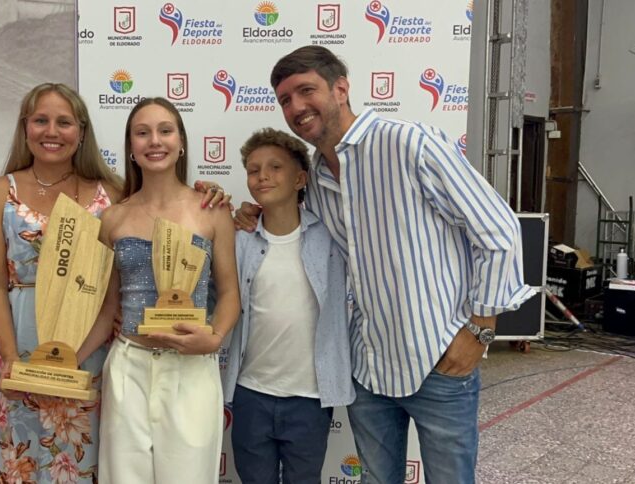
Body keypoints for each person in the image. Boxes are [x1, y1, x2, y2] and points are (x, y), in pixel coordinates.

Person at [235, 46, 534, 483]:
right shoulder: (315, 179)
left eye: (306, 90)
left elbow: (498, 230)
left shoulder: (410, 144)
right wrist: (251, 214)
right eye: (285, 99)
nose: (296, 106)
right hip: (369, 370)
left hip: (440, 362)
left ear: (341, 89)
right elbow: (292, 223)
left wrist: (480, 330)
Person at [0, 84, 227, 483]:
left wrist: (215, 195)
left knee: (91, 463)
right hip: (23, 346)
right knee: (24, 459)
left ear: (82, 132)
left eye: (64, 122)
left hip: (91, 348)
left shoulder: (111, 195)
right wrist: (11, 357)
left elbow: (163, 212)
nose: (52, 131)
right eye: (41, 120)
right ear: (25, 127)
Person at [74, 97, 240, 483]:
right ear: (131, 148)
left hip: (190, 370)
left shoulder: (212, 210)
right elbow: (108, 309)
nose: (154, 141)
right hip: (127, 368)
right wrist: (69, 361)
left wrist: (215, 337)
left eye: (165, 131)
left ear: (181, 143)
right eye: (142, 132)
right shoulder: (113, 218)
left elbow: (230, 293)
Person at [222, 128, 354, 484]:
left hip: (309, 398)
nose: (263, 176)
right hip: (251, 394)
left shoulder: (331, 237)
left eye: (275, 167)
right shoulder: (239, 238)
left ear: (300, 179)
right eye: (253, 170)